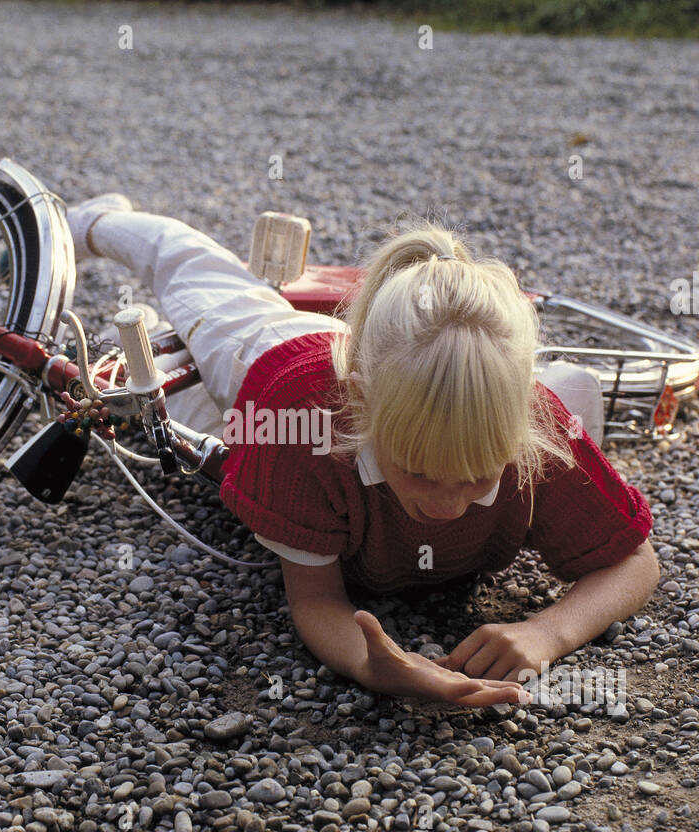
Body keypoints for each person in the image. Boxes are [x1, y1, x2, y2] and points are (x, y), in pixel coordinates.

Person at [64, 194, 659, 709]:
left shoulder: (536, 428)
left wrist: (550, 632)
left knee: (179, 420)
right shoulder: (303, 417)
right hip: (272, 358)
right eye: (421, 471)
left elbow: (634, 561)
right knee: (198, 278)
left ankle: (157, 355)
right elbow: (317, 599)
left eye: (478, 476)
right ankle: (95, 222)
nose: (449, 506)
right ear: (361, 408)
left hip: (338, 403)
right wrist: (369, 665)